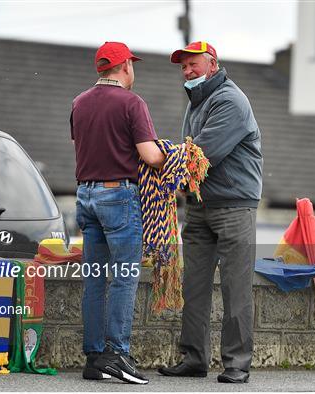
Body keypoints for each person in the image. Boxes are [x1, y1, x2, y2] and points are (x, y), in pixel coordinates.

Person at [158, 41, 263, 384]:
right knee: (194, 286)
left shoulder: (230, 100)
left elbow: (202, 154)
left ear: (212, 64)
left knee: (236, 288)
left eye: (193, 65)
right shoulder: (197, 103)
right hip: (201, 206)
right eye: (183, 67)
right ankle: (194, 358)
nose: (187, 71)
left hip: (234, 206)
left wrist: (154, 160)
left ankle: (236, 364)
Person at [70, 41, 165, 385]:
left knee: (94, 278)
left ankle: (95, 357)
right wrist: (176, 154)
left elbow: (80, 146)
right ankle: (118, 354)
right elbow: (150, 156)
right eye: (132, 65)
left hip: (86, 194)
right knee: (125, 275)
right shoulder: (132, 102)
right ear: (125, 66)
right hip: (118, 195)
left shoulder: (79, 103)